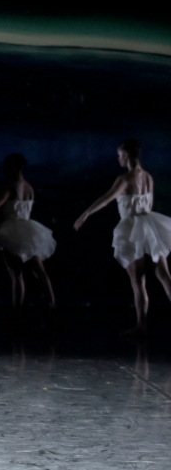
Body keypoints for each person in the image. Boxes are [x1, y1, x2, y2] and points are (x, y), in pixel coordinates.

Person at [74, 138, 171, 336]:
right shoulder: (149, 177)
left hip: (132, 228)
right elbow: (149, 206)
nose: (118, 159)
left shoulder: (124, 179)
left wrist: (86, 214)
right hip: (150, 227)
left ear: (126, 156)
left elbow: (106, 199)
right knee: (164, 276)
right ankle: (141, 327)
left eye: (119, 156)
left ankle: (142, 326)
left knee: (138, 281)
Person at [0, 153, 56, 308]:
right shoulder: (30, 188)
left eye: (6, 168)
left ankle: (17, 314)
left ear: (14, 168)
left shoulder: (10, 188)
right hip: (30, 231)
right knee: (40, 272)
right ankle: (53, 307)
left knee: (16, 276)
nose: (5, 172)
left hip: (12, 231)